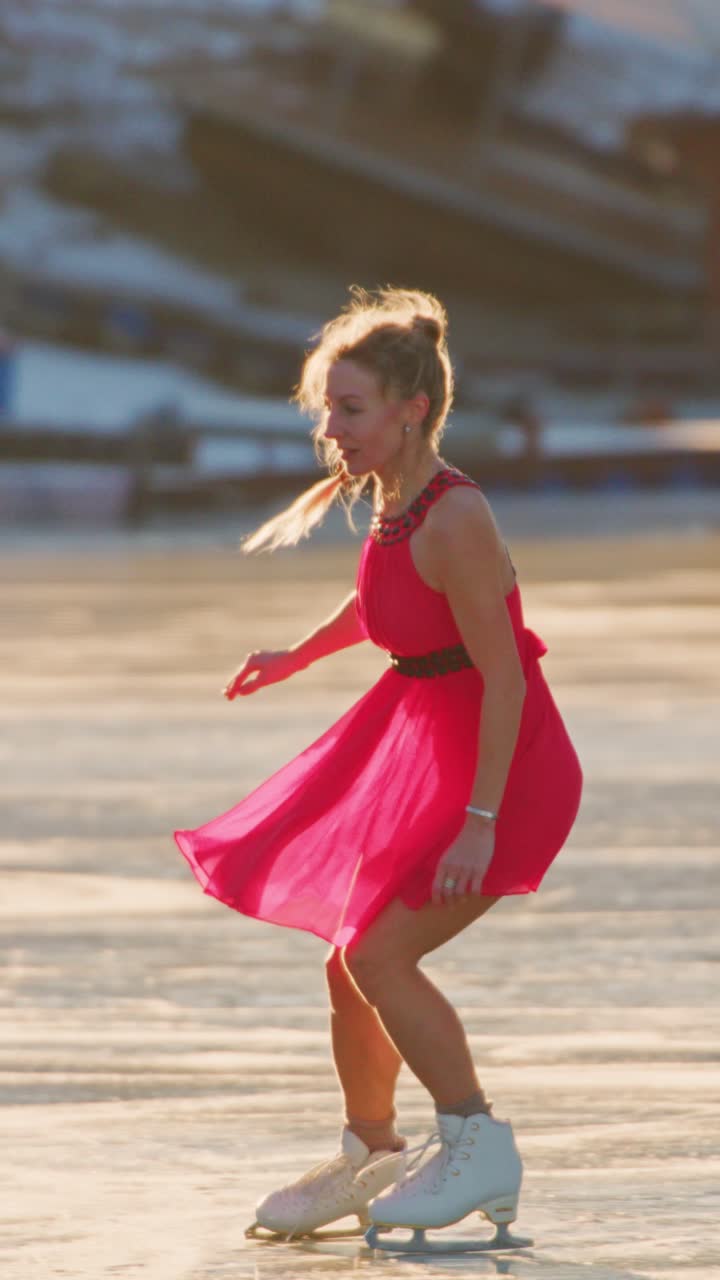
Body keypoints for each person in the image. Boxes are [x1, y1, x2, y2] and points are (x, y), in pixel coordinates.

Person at [174, 285, 583, 1244]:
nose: (331, 429)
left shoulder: (458, 516)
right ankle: (374, 1151)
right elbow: (380, 609)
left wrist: (481, 823)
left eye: (349, 409)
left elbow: (506, 678)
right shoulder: (398, 504)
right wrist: (292, 657)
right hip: (431, 744)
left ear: (414, 410)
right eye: (328, 408)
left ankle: (478, 1142)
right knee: (346, 964)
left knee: (378, 953)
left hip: (503, 763)